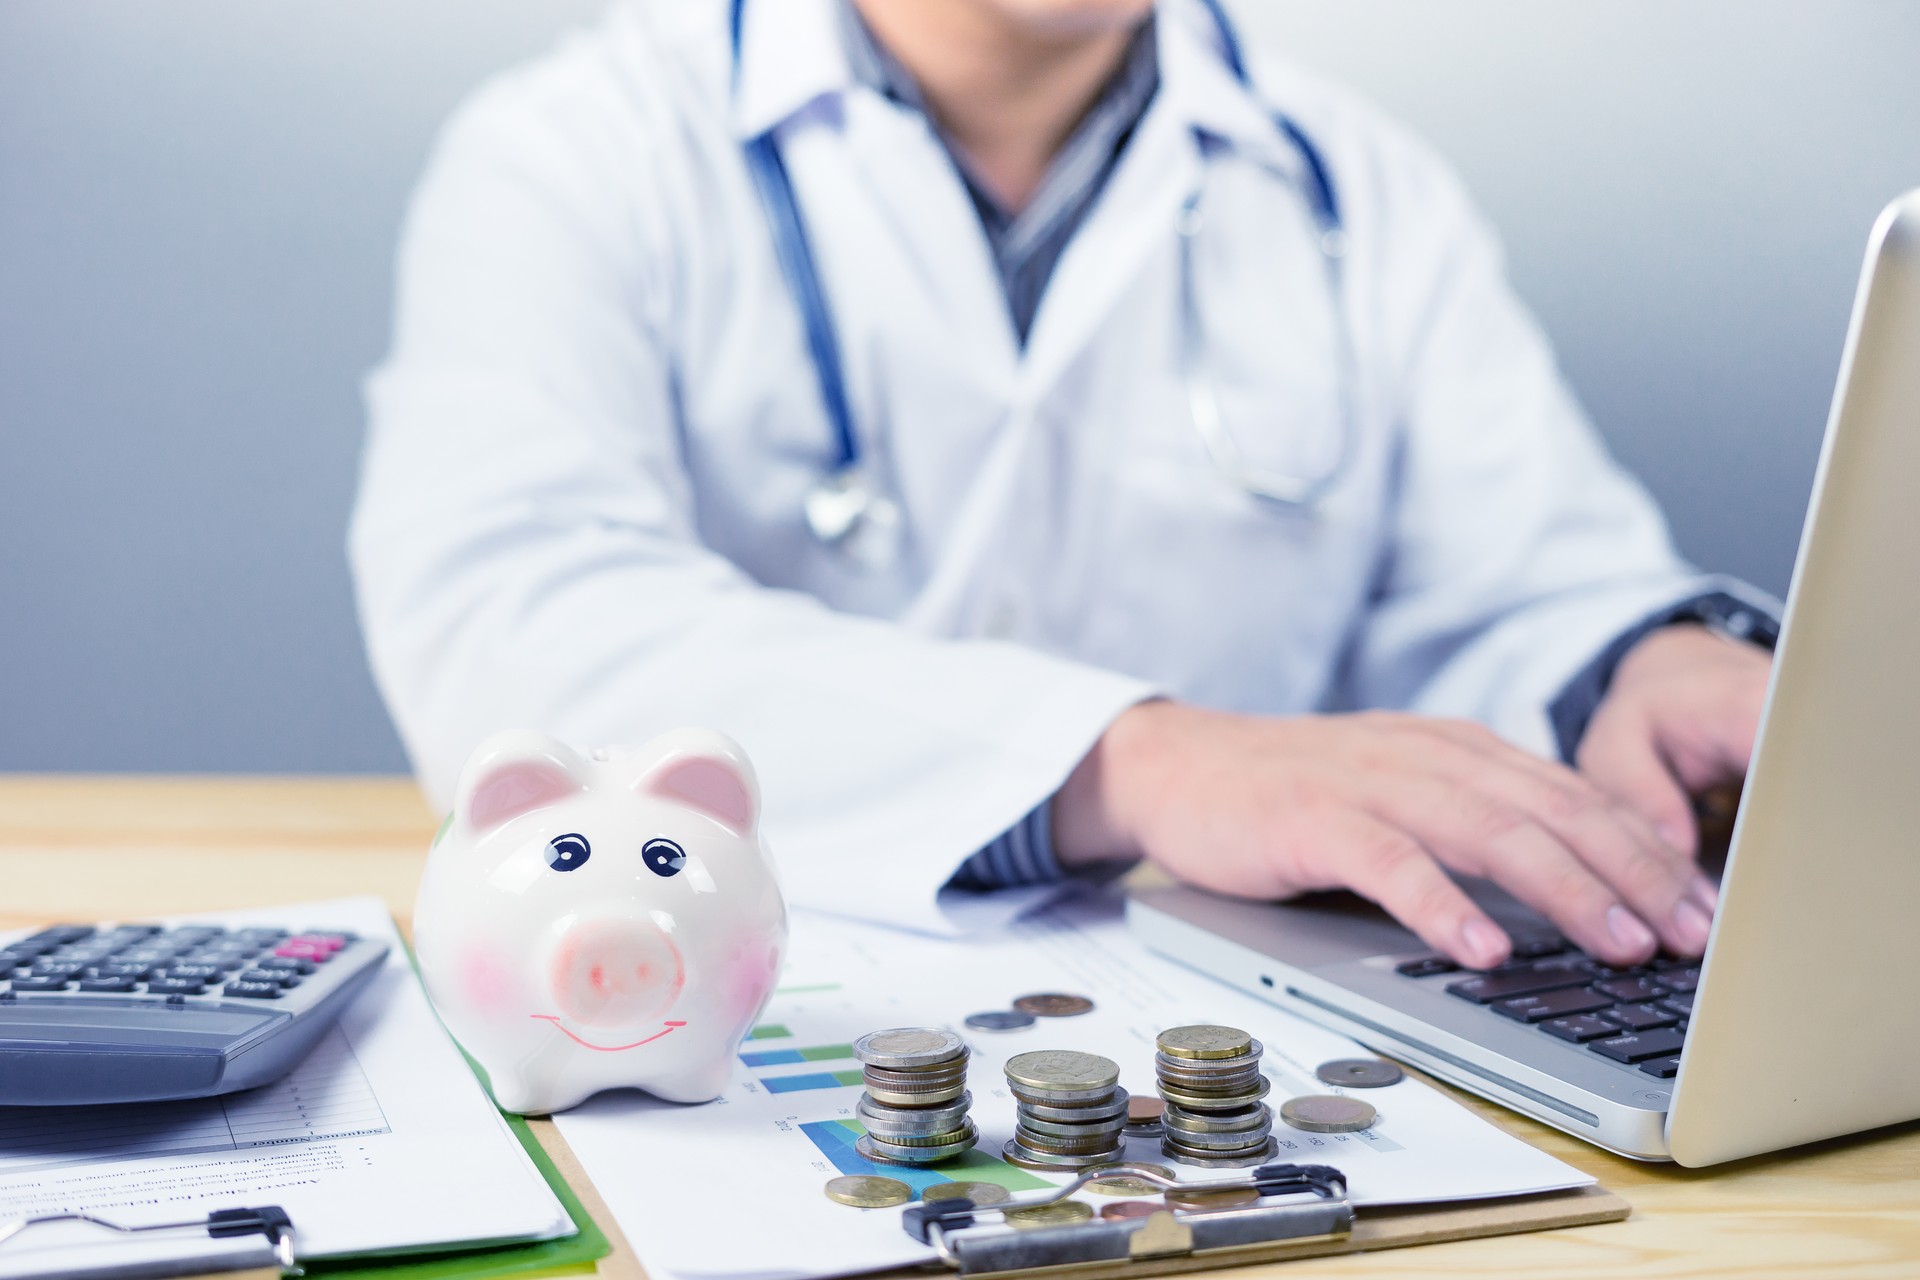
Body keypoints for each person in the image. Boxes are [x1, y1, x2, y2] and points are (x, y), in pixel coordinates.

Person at [349, 0, 1777, 968]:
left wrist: (1633, 667)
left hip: (1242, 1029)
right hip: (721, 1004)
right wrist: (1134, 762)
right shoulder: (578, 151)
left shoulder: (1358, 187)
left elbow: (1522, 588)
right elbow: (517, 634)